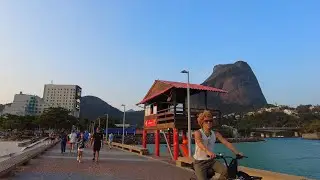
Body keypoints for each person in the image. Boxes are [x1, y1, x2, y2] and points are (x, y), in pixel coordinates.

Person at [193, 110, 243, 180]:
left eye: (210, 121)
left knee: (226, 172)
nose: (209, 122)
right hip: (200, 162)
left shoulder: (215, 134)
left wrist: (237, 152)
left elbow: (226, 143)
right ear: (202, 122)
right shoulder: (198, 133)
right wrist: (208, 152)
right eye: (206, 121)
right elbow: (199, 143)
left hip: (211, 161)